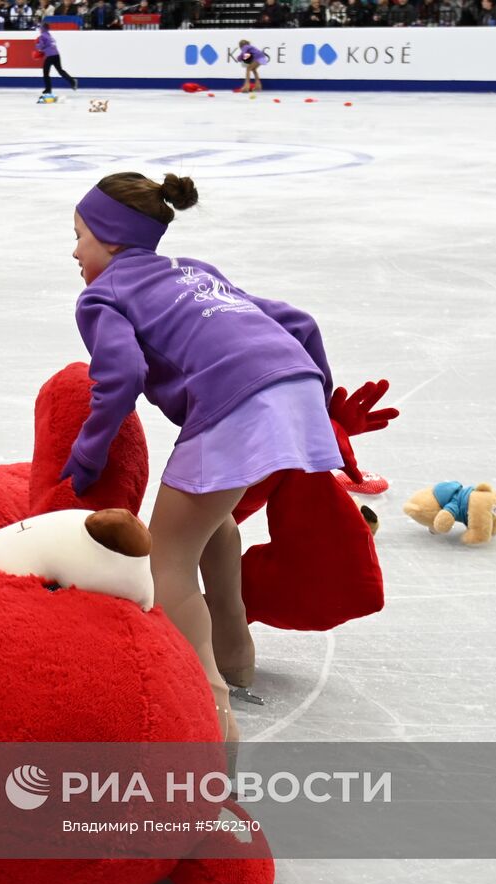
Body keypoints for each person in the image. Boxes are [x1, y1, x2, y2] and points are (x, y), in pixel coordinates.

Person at [62, 172, 345, 741]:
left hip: (236, 400)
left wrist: (88, 455)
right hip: (292, 379)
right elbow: (297, 321)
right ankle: (236, 660)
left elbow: (122, 375)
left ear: (111, 240)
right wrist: (321, 404)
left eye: (79, 236)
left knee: (167, 559)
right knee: (211, 525)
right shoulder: (193, 270)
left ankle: (209, 713)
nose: (74, 251)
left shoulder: (102, 294)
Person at [35, 21, 77, 95]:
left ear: (43, 28)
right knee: (60, 70)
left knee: (46, 73)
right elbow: (49, 45)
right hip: (56, 55)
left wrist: (37, 45)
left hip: (50, 56)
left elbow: (41, 47)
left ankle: (48, 89)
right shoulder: (49, 35)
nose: (40, 29)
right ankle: (72, 81)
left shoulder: (42, 36)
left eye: (40, 28)